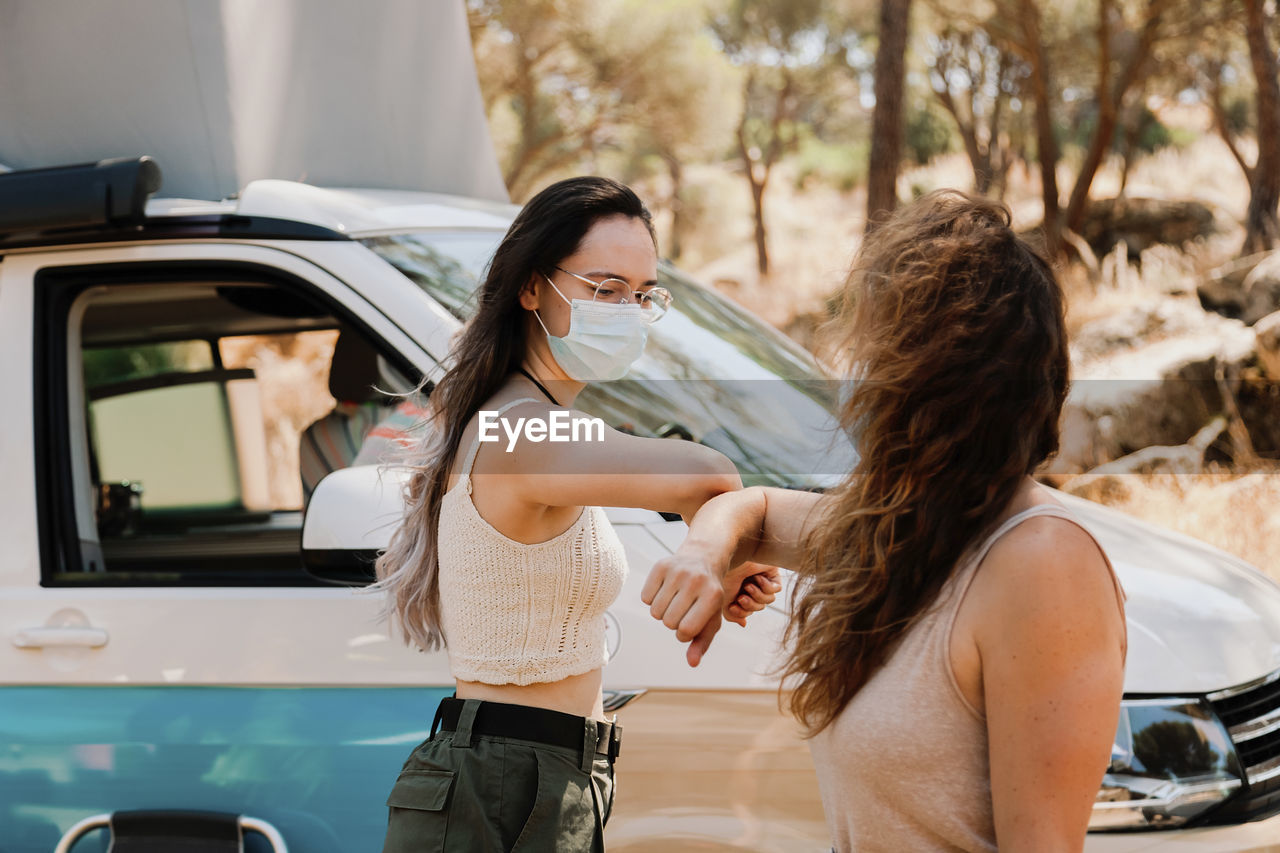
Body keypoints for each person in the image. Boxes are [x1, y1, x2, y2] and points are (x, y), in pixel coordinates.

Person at [644, 191, 1128, 852]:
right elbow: (750, 508)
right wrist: (705, 553)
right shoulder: (907, 522)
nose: (859, 373)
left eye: (877, 346)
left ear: (935, 369)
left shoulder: (1041, 561)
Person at [373, 176, 781, 853]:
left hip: (540, 775)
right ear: (532, 288)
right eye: (605, 288)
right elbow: (708, 474)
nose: (628, 310)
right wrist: (723, 548)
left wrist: (720, 547)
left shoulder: (531, 422)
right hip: (502, 781)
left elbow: (699, 489)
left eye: (643, 294)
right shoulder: (522, 433)